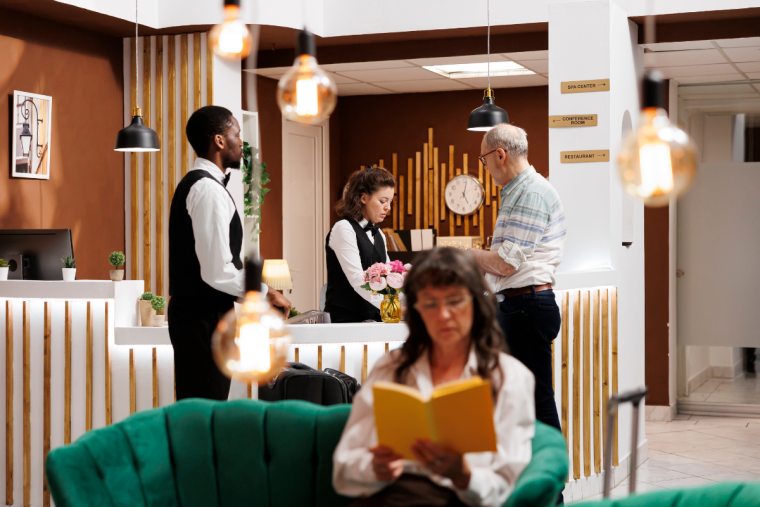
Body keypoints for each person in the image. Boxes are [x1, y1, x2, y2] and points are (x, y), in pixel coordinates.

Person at [333, 248, 535, 507]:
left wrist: (464, 476)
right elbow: (344, 465)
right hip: (385, 496)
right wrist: (374, 468)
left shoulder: (508, 377)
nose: (443, 315)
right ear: (417, 311)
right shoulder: (392, 368)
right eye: (430, 303)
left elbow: (508, 487)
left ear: (476, 303)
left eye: (454, 301)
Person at [168, 105, 290, 401]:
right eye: (236, 133)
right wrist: (265, 293)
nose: (241, 142)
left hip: (199, 315)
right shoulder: (208, 190)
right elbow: (217, 270)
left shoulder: (200, 185)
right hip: (202, 318)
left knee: (202, 407)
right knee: (205, 409)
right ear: (219, 141)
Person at [469, 124, 566, 435]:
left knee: (536, 400)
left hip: (527, 306)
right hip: (520, 305)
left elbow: (506, 263)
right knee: (522, 400)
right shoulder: (517, 191)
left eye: (483, 160)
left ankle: (552, 484)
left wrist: (468, 255)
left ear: (500, 154)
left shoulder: (531, 193)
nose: (484, 168)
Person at [324, 167, 395, 323]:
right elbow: (358, 279)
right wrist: (390, 307)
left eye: (390, 201)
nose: (388, 207)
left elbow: (390, 278)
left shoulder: (379, 234)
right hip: (346, 321)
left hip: (375, 320)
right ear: (363, 198)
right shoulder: (344, 228)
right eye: (383, 201)